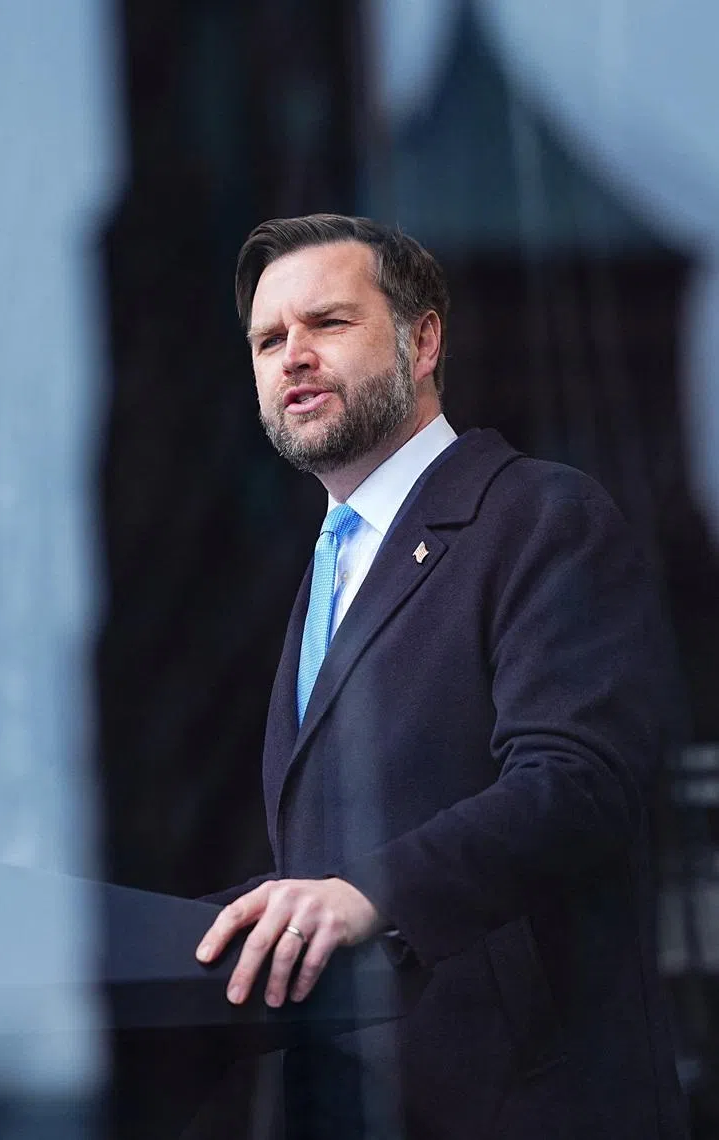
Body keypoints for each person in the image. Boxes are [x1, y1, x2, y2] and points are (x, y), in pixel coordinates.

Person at [194, 215, 687, 1138]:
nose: (292, 356)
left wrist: (371, 893)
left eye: (328, 324)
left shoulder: (541, 515)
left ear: (423, 341)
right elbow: (329, 856)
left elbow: (577, 782)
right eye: (269, 339)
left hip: (531, 1107)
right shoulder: (330, 566)